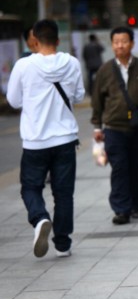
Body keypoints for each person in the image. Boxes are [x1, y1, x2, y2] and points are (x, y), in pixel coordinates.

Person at [6, 19, 85, 258]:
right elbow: (79, 95)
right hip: (65, 139)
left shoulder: (24, 65)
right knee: (63, 193)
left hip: (35, 141)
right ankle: (63, 243)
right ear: (58, 40)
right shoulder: (71, 62)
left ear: (35, 41)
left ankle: (40, 218)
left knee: (30, 187)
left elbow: (14, 100)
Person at [91, 26, 138, 225]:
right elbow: (97, 99)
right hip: (114, 128)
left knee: (135, 167)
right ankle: (121, 209)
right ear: (112, 45)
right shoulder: (105, 70)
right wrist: (97, 126)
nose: (120, 45)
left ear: (132, 43)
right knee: (119, 168)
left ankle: (134, 206)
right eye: (116, 42)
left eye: (124, 41)